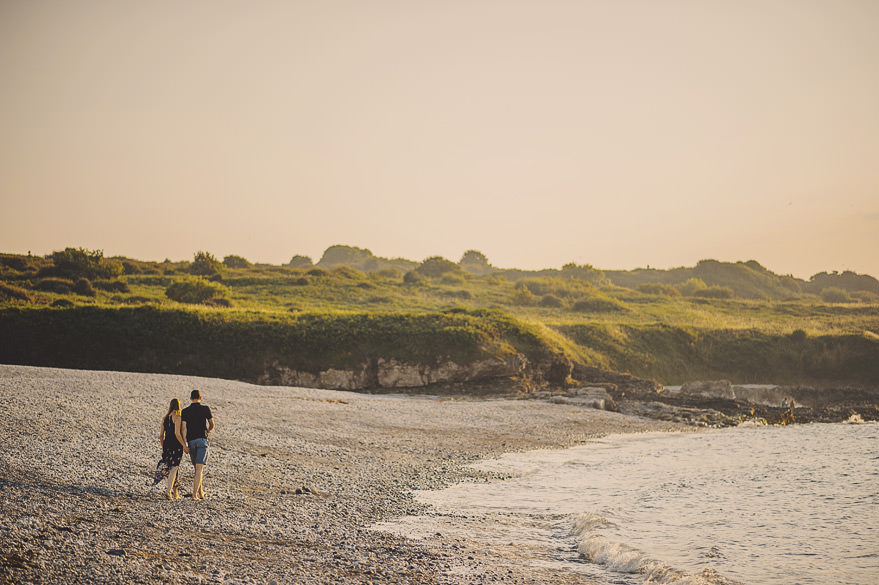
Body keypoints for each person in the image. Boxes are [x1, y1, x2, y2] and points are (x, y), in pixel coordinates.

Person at [181, 389, 214, 500]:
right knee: (199, 469)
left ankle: (200, 492)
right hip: (202, 440)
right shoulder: (205, 409)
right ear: (200, 398)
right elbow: (211, 424)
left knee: (197, 469)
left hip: (191, 442)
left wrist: (184, 444)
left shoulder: (185, 411)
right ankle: (194, 495)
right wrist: (208, 431)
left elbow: (183, 429)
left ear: (190, 398)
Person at [159, 398, 186, 500]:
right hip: (176, 445)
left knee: (173, 468)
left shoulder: (164, 418)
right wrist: (184, 446)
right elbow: (177, 433)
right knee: (174, 468)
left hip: (167, 444)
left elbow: (161, 435)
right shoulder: (177, 417)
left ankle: (175, 493)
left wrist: (163, 447)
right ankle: (168, 491)